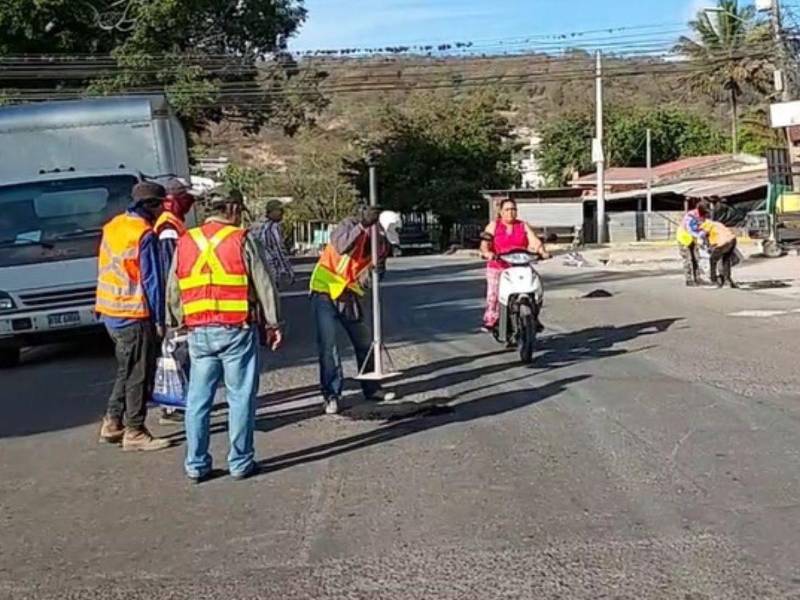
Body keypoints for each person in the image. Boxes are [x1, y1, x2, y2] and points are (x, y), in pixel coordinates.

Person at [166, 187, 282, 483]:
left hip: (198, 331)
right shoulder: (242, 239)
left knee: (198, 400)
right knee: (240, 397)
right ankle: (241, 462)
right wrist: (273, 323)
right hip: (235, 330)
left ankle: (196, 464)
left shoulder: (186, 240)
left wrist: (175, 321)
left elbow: (174, 287)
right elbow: (264, 282)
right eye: (240, 209)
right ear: (231, 209)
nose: (241, 215)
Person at [96, 181, 170, 452]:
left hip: (110, 311)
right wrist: (161, 319)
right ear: (150, 205)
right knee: (139, 374)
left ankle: (113, 421)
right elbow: (152, 281)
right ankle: (135, 431)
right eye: (161, 204)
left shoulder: (114, 226)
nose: (164, 209)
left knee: (125, 369)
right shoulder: (143, 233)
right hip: (134, 313)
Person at [308, 205, 398, 416]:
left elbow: (366, 281)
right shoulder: (348, 225)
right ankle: (332, 395)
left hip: (349, 296)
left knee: (365, 343)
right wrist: (362, 225)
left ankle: (372, 389)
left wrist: (376, 272)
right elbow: (341, 246)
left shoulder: (381, 246)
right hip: (324, 291)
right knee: (329, 347)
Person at [153, 177, 197, 425]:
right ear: (173, 200)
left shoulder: (172, 223)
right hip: (175, 304)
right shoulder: (169, 228)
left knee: (176, 353)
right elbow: (173, 273)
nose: (189, 203)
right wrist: (177, 310)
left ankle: (178, 402)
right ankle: (173, 406)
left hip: (173, 303)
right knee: (176, 353)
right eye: (185, 198)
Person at [479, 198, 550, 333]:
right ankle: (491, 320)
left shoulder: (523, 225)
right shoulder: (494, 226)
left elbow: (534, 241)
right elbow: (485, 244)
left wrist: (542, 251)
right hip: (498, 265)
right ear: (500, 212)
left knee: (535, 289)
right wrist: (487, 252)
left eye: (513, 209)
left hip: (520, 266)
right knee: (494, 294)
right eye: (507, 209)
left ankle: (533, 317)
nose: (510, 212)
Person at [251, 199, 295, 288]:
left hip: (255, 269)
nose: (282, 213)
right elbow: (279, 250)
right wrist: (288, 271)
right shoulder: (272, 227)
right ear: (273, 212)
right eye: (280, 211)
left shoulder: (254, 226)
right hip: (270, 270)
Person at [676, 199, 712, 287]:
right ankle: (689, 279)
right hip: (684, 238)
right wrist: (700, 236)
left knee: (696, 258)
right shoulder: (691, 216)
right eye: (706, 211)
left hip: (694, 239)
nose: (707, 213)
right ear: (700, 209)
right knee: (688, 259)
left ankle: (697, 278)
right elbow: (690, 230)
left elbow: (704, 227)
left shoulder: (703, 216)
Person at [702, 219, 739, 288]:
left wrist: (708, 246)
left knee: (712, 260)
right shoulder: (717, 223)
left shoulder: (705, 225)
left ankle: (714, 281)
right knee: (726, 260)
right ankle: (727, 280)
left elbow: (705, 236)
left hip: (723, 243)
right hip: (732, 240)